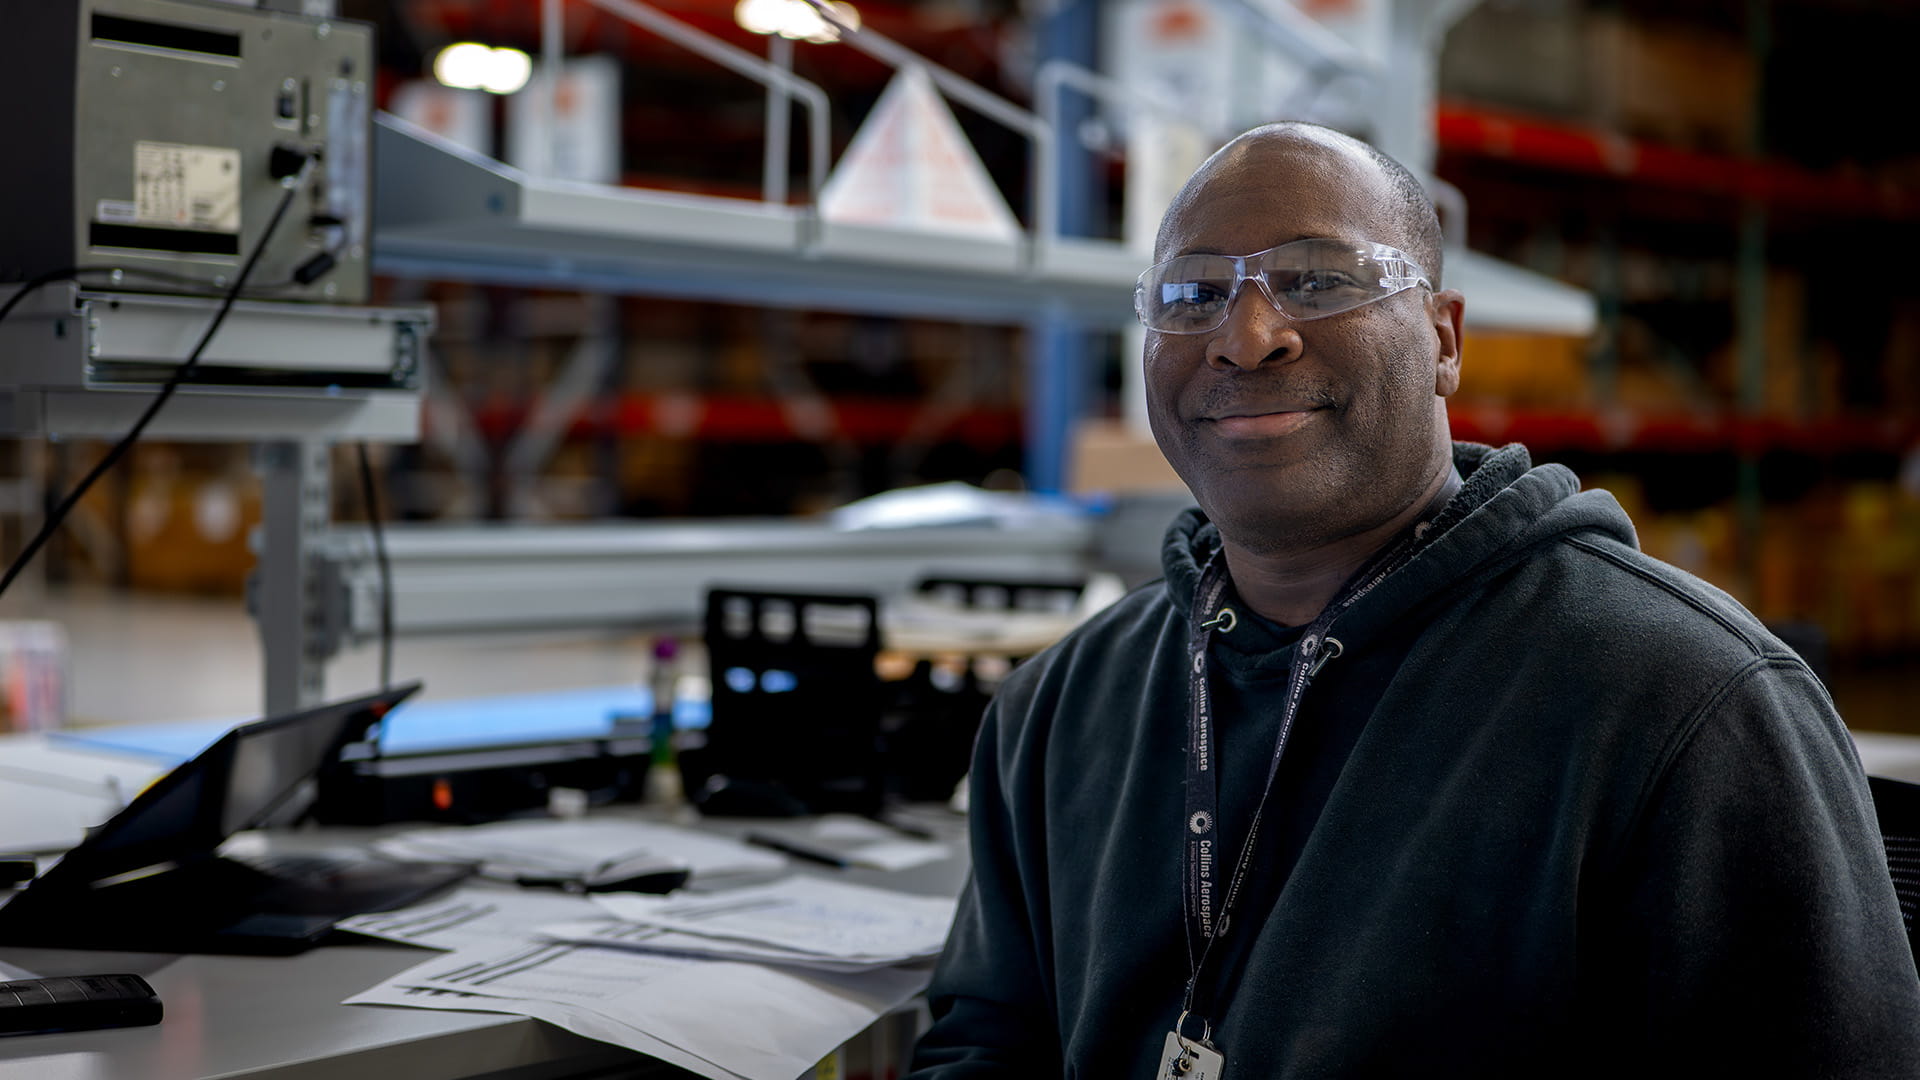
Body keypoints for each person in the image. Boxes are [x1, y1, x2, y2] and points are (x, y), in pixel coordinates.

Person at [907, 122, 1920, 1077]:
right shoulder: (1055, 711)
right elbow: (988, 1041)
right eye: (1192, 294)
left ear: (1442, 339)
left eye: (1316, 279)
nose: (1246, 336)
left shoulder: (1687, 708)